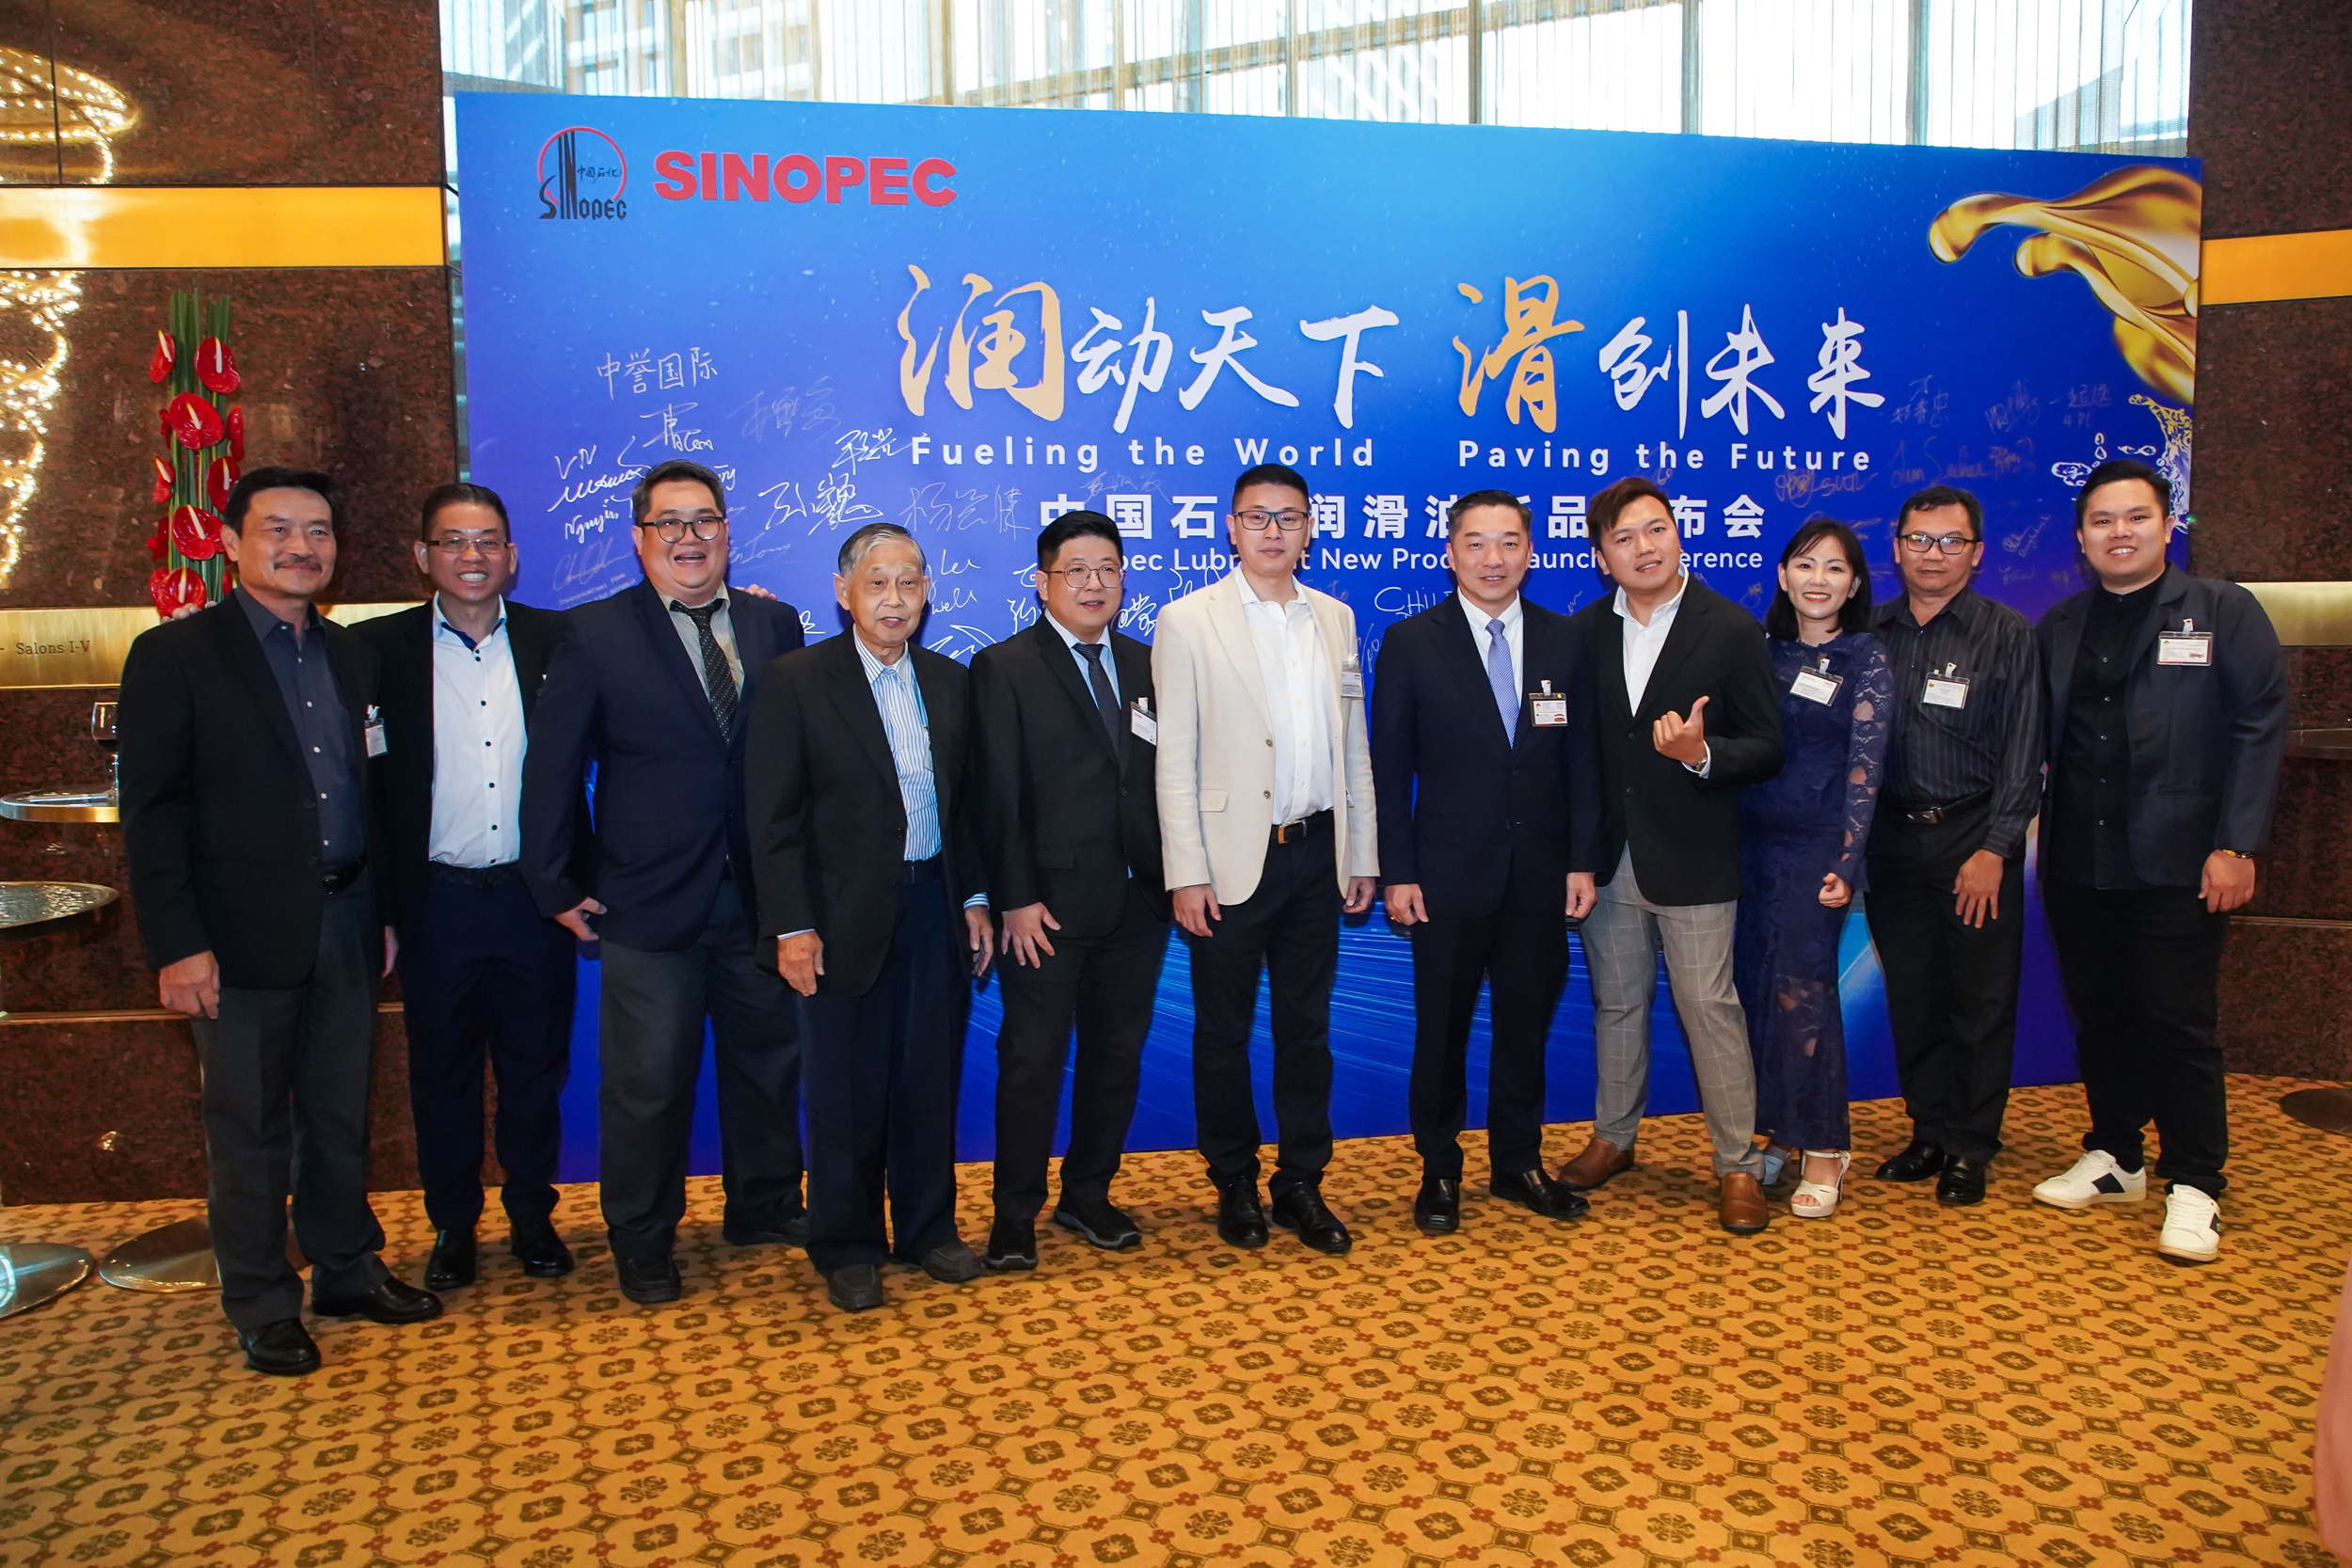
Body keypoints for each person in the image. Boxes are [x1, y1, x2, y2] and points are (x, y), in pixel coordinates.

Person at [119, 467, 440, 1375]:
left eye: (319, 531)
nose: (301, 547)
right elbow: (153, 816)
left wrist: (382, 912)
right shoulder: (176, 655)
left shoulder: (350, 655)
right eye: (279, 529)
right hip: (235, 935)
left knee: (338, 1113)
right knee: (249, 1126)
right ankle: (262, 1299)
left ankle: (346, 1267)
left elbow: (371, 793)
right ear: (231, 542)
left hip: (348, 919)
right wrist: (179, 944)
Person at [520, 457, 807, 1306]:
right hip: (646, 900)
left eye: (704, 520)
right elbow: (553, 768)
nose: (690, 537)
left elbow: (794, 760)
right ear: (640, 538)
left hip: (757, 897)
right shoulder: (593, 633)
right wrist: (553, 880)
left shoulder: (774, 623)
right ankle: (642, 1237)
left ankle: (763, 1205)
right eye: (670, 523)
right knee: (647, 1084)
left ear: (727, 531)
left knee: (769, 1064)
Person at [2028, 458, 2286, 1265]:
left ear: (2167, 527)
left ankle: (2197, 1179)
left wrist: (2237, 843)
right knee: (2102, 1014)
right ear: (2081, 538)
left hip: (2182, 859)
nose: (2120, 533)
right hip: (2079, 858)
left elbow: (2259, 726)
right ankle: (2117, 1154)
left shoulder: (2222, 610)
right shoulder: (2061, 623)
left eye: (2136, 517)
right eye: (2102, 520)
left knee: (2177, 1021)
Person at [747, 522, 995, 1312]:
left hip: (933, 907)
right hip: (835, 918)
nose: (895, 598)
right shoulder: (795, 681)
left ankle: (927, 1229)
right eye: (878, 582)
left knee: (927, 1078)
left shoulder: (950, 681)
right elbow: (772, 819)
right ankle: (846, 1242)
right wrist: (791, 925)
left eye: (909, 582)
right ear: (843, 591)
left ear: (927, 592)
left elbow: (966, 808)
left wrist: (974, 898)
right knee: (844, 1090)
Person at [357, 483, 581, 1291]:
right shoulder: (373, 650)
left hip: (533, 900)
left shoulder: (561, 640)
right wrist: (384, 911)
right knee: (441, 1075)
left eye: (487, 540)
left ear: (512, 556)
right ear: (423, 556)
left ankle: (531, 1214)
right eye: (453, 541)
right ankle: (453, 1225)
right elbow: (363, 791)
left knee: (534, 1071)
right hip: (435, 901)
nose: (472, 555)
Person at [1153, 462, 1378, 1256]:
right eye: (1257, 517)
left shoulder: (1335, 617)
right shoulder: (1188, 620)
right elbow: (1174, 758)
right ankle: (1234, 1179)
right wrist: (1186, 870)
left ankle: (1301, 1180)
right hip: (1228, 863)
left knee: (1305, 1029)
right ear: (1232, 528)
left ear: (1310, 528)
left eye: (1289, 517)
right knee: (1222, 1032)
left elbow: (1353, 746)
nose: (1273, 531)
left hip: (1317, 854)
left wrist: (1362, 851)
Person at [1557, 476, 1785, 1235]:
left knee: (1709, 1008)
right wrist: (1577, 854)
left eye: (1656, 529)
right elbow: (1579, 753)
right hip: (1610, 856)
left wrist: (1701, 754)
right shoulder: (1584, 631)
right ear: (1602, 557)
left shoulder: (1730, 627)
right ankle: (1614, 1137)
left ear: (1678, 535)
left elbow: (1768, 744)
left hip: (1694, 856)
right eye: (1624, 537)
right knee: (1617, 1004)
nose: (1644, 547)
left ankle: (1736, 1164)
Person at [1370, 489, 1600, 1235]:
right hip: (1444, 876)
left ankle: (1518, 1162)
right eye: (1476, 542)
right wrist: (1398, 871)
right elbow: (1387, 770)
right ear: (1450, 552)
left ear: (1530, 551)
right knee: (1441, 1031)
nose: (1492, 558)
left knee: (1524, 1027)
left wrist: (1582, 860)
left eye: (1508, 542)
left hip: (1540, 874)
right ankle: (1439, 1169)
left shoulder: (1566, 639)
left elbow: (1584, 762)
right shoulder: (1411, 641)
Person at [970, 511, 1171, 1271]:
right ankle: (1014, 1212)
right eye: (1076, 570)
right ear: (1042, 582)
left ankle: (1088, 1193)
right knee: (1032, 1058)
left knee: (1116, 1056)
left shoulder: (1149, 663)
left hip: (1138, 901)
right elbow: (996, 793)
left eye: (1108, 569)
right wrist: (1014, 897)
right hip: (1045, 909)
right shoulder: (1005, 667)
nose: (1094, 583)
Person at [1865, 483, 2042, 1207]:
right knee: (1914, 995)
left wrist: (1996, 849)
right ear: (1896, 547)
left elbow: (2025, 755)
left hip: (1973, 838)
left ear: (1976, 553)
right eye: (1918, 539)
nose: (1932, 554)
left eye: (1949, 541)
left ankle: (1971, 1145)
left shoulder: (2007, 635)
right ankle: (1929, 1131)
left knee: (1979, 999)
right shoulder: (1869, 632)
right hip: (1890, 842)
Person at [1733, 518, 1892, 1220]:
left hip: (1817, 851)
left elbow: (1866, 765)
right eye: (1805, 564)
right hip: (1749, 850)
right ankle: (1779, 1130)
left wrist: (1847, 860)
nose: (1818, 579)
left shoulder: (1866, 657)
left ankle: (1826, 1146)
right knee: (1755, 994)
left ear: (1853, 584)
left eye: (1834, 567)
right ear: (1783, 575)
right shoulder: (1760, 652)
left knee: (1806, 999)